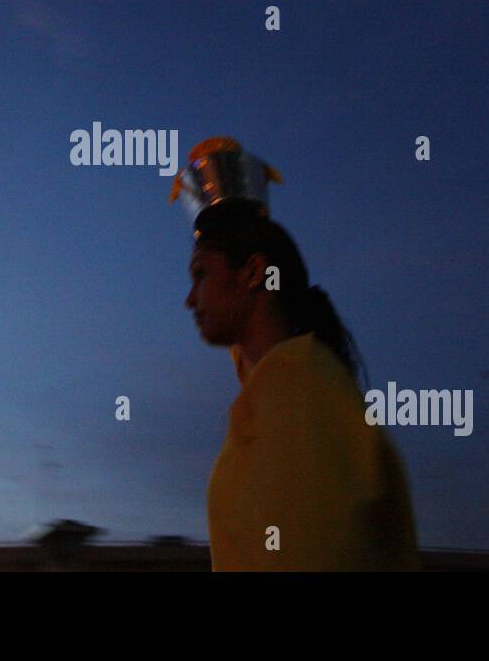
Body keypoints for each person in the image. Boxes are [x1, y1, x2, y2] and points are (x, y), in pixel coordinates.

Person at [173, 138, 419, 571]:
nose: (189, 300)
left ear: (252, 273)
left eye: (200, 275)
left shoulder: (298, 392)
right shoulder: (281, 385)